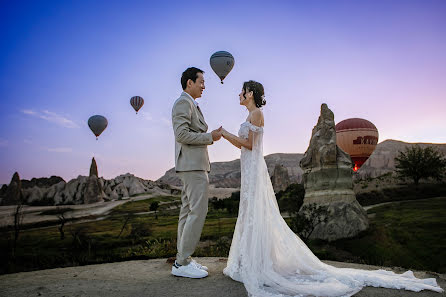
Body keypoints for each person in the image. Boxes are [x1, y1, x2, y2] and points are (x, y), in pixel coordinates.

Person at [220, 80, 444, 296]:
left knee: (256, 212)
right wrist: (228, 136)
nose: (239, 94)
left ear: (250, 93)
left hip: (253, 168)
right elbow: (246, 147)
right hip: (249, 169)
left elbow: (249, 145)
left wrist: (225, 134)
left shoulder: (257, 113)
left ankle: (258, 263)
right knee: (249, 212)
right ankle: (250, 260)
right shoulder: (249, 115)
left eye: (242, 91)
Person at [171, 67, 222, 279]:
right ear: (189, 82)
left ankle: (182, 260)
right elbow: (181, 134)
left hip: (192, 165)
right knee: (198, 211)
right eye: (201, 81)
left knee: (187, 211)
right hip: (192, 166)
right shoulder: (183, 102)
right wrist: (210, 136)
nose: (204, 86)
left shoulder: (191, 104)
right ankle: (182, 262)